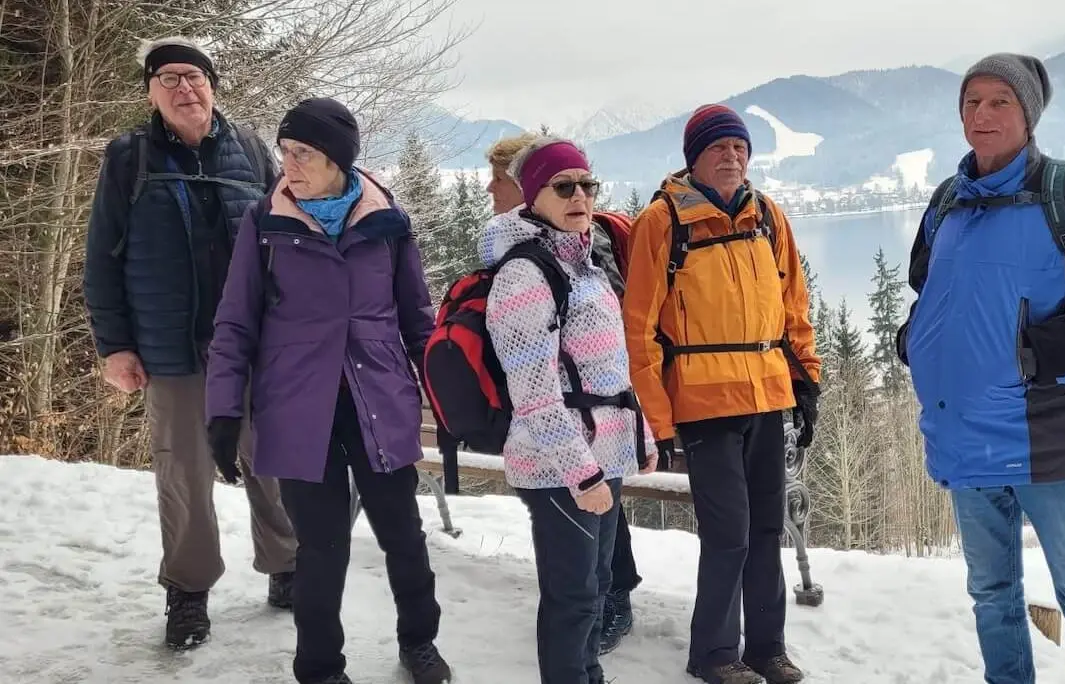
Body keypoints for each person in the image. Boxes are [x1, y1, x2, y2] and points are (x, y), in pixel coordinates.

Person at [895, 54, 1065, 684]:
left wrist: (1032, 356)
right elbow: (931, 294)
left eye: (999, 101)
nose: (981, 114)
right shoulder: (947, 201)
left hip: (1050, 443)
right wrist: (915, 341)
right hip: (967, 440)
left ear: (1028, 115)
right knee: (992, 598)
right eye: (971, 101)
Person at [204, 97, 452, 684]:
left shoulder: (388, 221)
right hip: (297, 407)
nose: (288, 164)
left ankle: (420, 641)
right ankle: (318, 668)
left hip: (379, 400)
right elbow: (235, 321)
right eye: (285, 151)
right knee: (320, 546)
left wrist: (444, 400)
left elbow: (418, 319)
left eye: (303, 153)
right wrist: (223, 410)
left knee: (403, 535)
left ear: (338, 160)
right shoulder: (266, 222)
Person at [81, 36, 296, 651]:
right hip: (170, 349)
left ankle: (288, 566)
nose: (184, 88)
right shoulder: (130, 157)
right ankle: (189, 591)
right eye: (169, 78)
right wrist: (114, 345)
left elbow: (289, 240)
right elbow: (102, 259)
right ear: (151, 91)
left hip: (252, 345)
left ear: (212, 85)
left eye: (194, 76)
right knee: (183, 472)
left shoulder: (249, 149)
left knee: (272, 457)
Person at [622, 104, 821, 684]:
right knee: (729, 534)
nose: (732, 157)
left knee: (766, 528)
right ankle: (713, 654)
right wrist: (658, 419)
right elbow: (639, 328)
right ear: (695, 158)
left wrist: (806, 382)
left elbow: (794, 307)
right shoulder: (663, 221)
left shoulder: (768, 216)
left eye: (739, 147)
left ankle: (767, 649)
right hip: (703, 401)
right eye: (718, 148)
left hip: (768, 394)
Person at [481, 136, 657, 684]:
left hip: (604, 454)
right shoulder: (524, 275)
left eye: (587, 184)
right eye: (563, 186)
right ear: (533, 195)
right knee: (572, 597)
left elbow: (612, 367)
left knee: (596, 587)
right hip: (558, 465)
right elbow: (533, 394)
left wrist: (641, 436)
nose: (579, 195)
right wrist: (582, 475)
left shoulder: (585, 262)